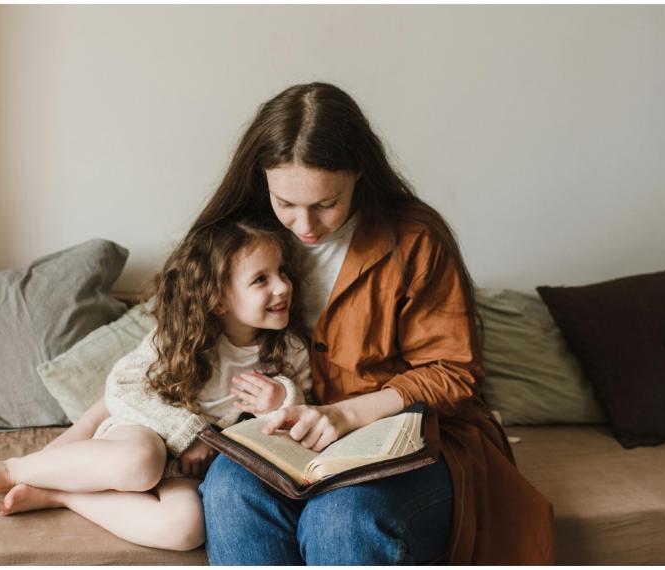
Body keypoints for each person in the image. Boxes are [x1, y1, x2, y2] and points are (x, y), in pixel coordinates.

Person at [193, 82, 556, 564]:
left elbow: (454, 371)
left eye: (327, 203)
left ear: (359, 174)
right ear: (262, 181)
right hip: (287, 438)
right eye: (286, 204)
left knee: (343, 517)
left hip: (410, 436)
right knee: (229, 489)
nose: (305, 225)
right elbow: (172, 345)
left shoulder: (415, 238)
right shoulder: (239, 240)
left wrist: (347, 414)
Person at [0, 220, 311, 552]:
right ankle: (10, 470)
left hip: (186, 470)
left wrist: (283, 400)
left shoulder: (290, 350)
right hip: (144, 435)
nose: (283, 287)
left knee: (185, 529)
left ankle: (62, 494)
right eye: (261, 280)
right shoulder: (179, 337)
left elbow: (302, 414)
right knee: (140, 463)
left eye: (282, 273)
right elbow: (121, 386)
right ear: (217, 300)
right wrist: (192, 432)